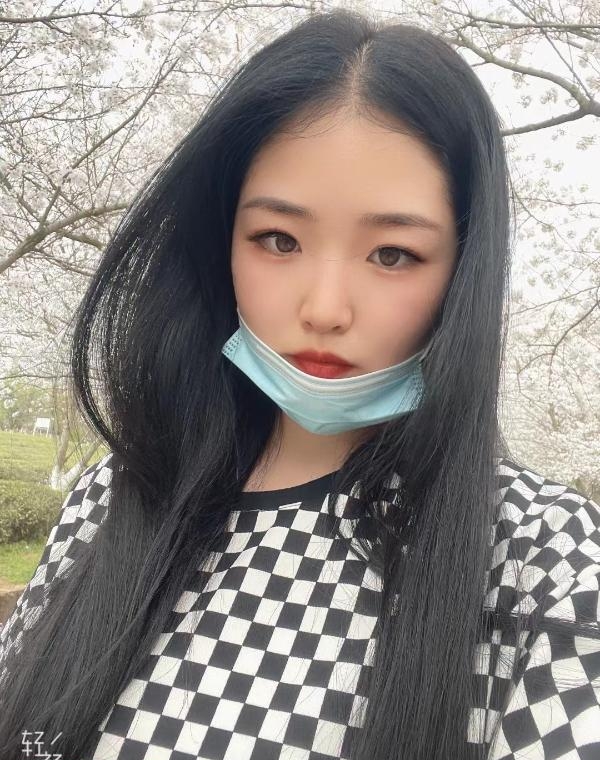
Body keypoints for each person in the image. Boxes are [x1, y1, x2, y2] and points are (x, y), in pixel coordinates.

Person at [0, 8, 598, 760]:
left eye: (392, 254)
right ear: (220, 245)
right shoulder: (117, 495)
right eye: (278, 240)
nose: (324, 309)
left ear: (463, 272)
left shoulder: (548, 557)